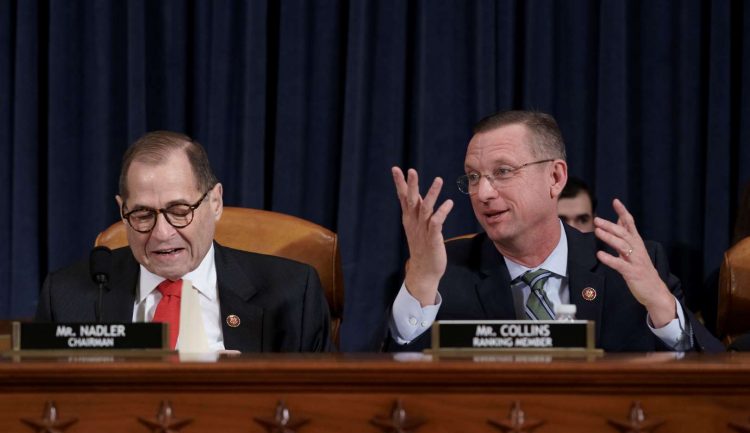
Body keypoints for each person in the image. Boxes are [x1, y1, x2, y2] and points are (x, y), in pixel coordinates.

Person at [385, 110, 724, 353]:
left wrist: (661, 305)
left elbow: (714, 382)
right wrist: (421, 284)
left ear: (556, 178)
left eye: (502, 171)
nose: (483, 193)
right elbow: (386, 388)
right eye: (473, 177)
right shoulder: (444, 272)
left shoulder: (626, 265)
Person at [36, 131, 332, 353]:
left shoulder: (292, 294)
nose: (162, 233)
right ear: (122, 212)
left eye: (179, 212)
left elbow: (320, 414)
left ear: (215, 202)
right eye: (142, 214)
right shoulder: (67, 297)